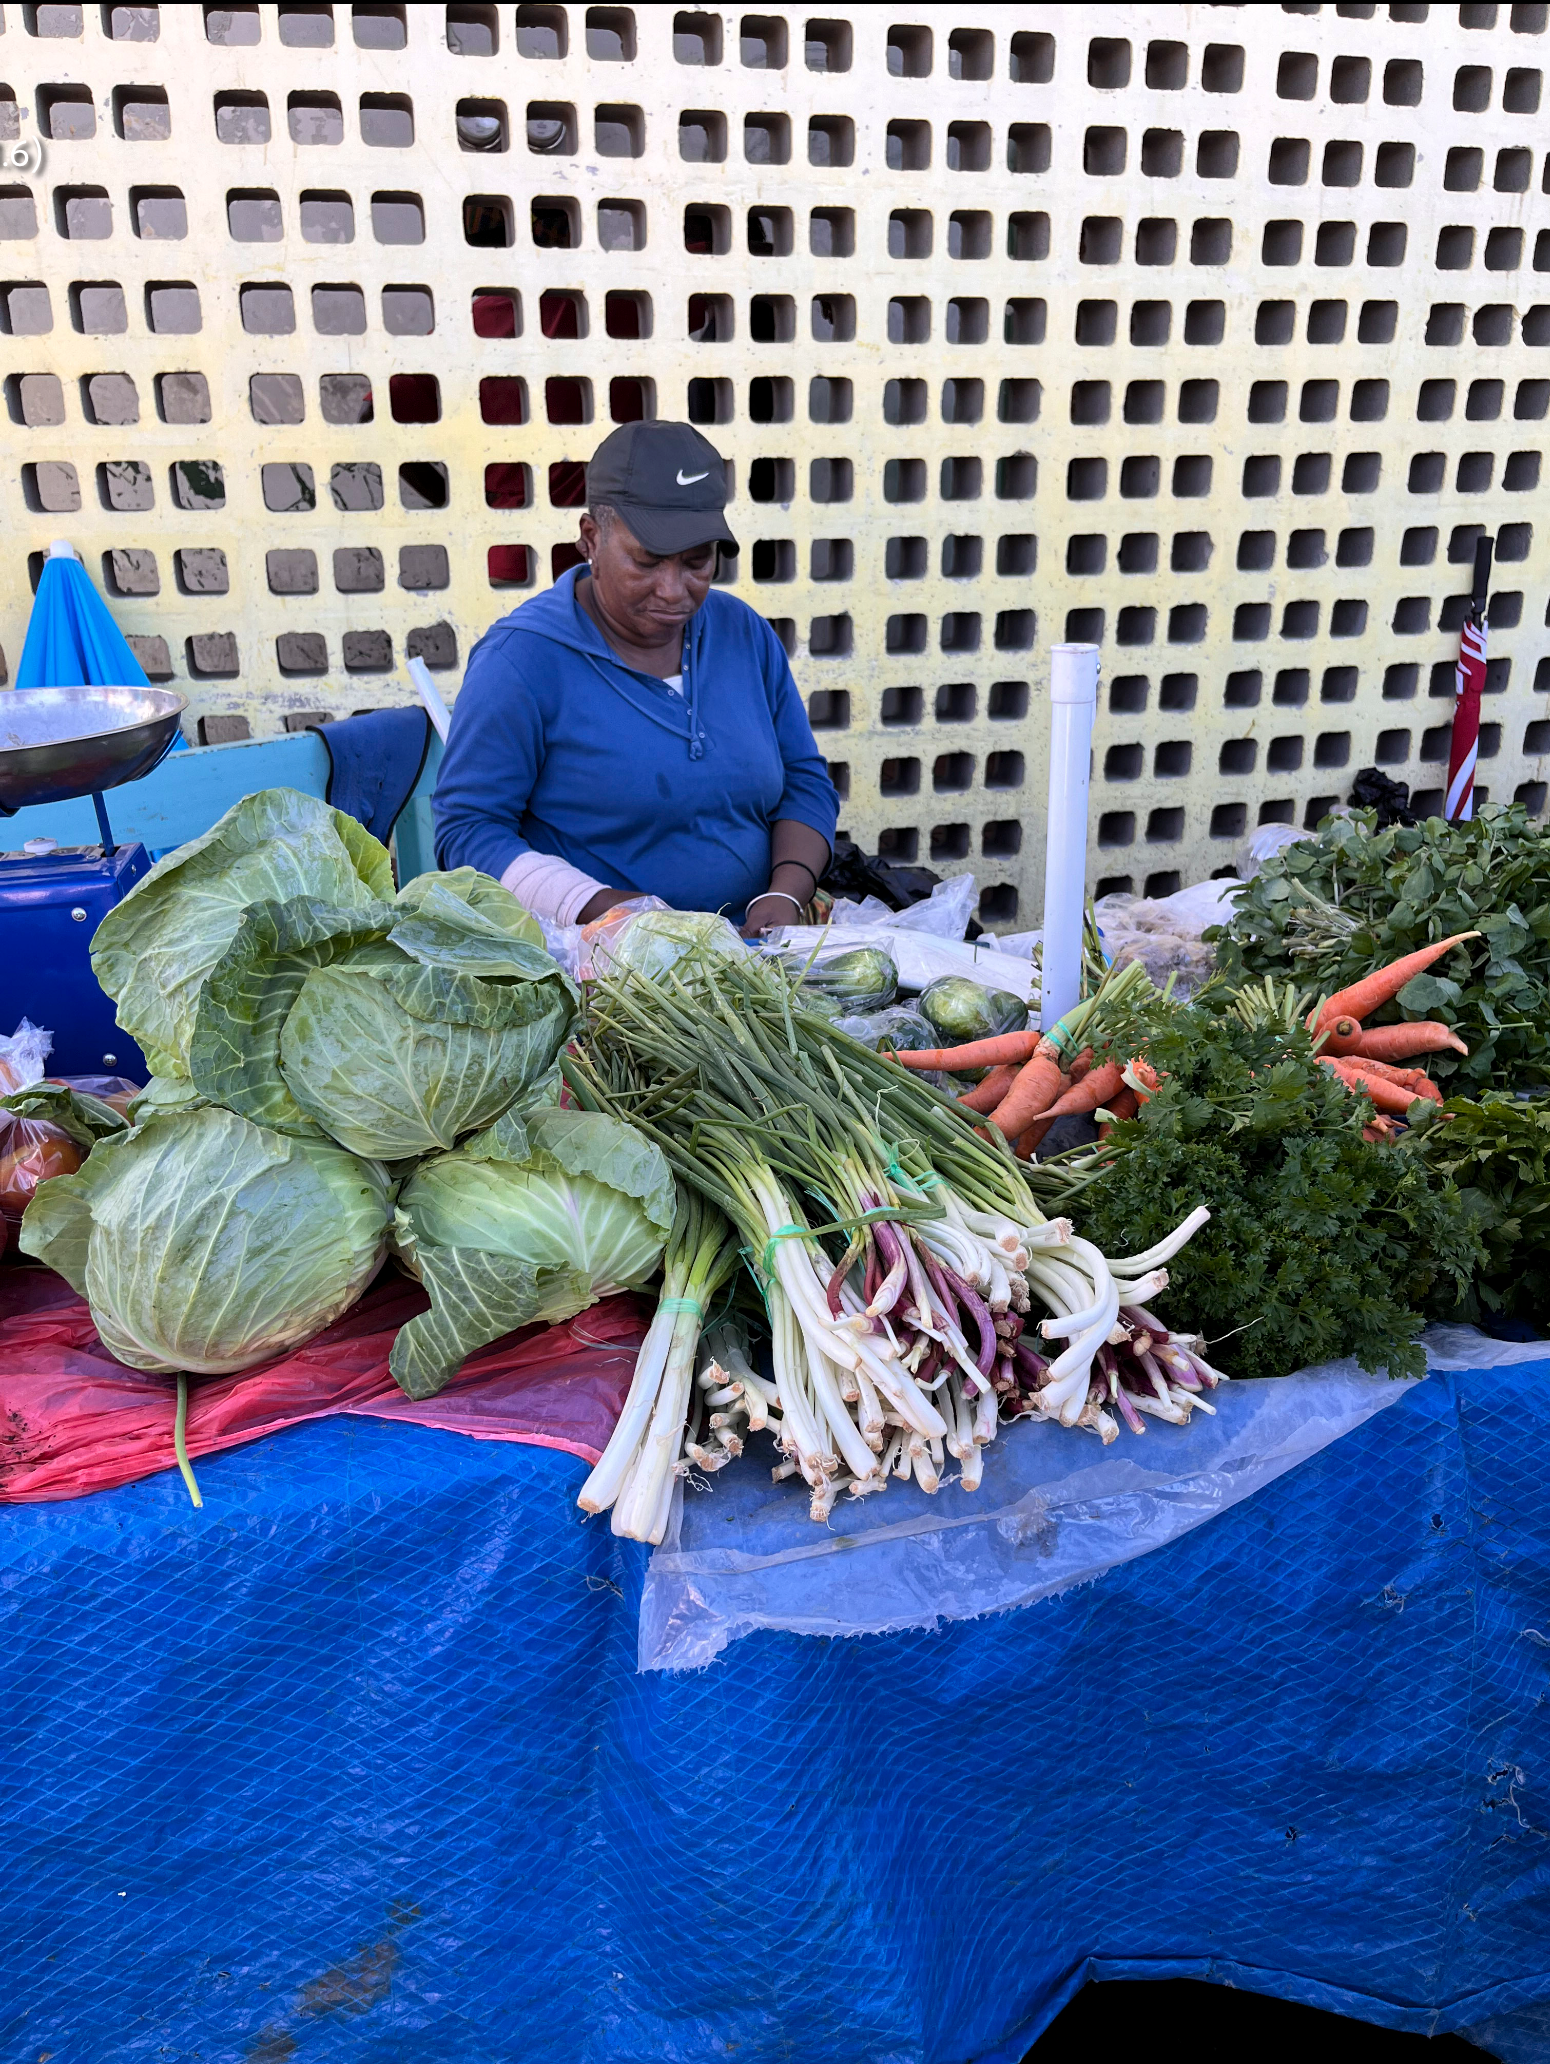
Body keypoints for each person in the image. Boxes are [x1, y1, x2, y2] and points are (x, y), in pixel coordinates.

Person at [432, 421, 838, 935]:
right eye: (646, 561)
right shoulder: (522, 662)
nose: (673, 591)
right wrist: (607, 909)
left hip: (760, 945)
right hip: (601, 961)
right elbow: (468, 831)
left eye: (697, 562)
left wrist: (786, 890)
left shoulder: (743, 634)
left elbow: (804, 780)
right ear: (590, 539)